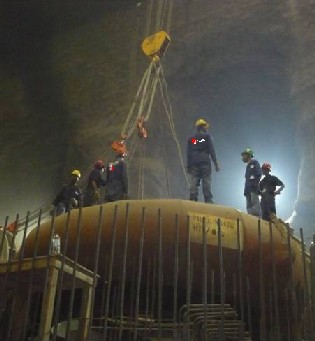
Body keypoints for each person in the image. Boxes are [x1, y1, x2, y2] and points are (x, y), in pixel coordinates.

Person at [186, 118, 220, 203]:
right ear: (202, 127)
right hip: (205, 162)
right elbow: (212, 150)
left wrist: (188, 165)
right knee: (206, 179)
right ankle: (208, 199)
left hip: (194, 162)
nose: (207, 128)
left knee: (194, 179)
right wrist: (216, 163)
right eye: (205, 126)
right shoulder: (207, 137)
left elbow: (189, 152)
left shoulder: (192, 139)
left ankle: (193, 197)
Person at [241, 148, 262, 217]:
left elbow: (259, 174)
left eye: (244, 155)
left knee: (255, 205)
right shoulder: (248, 166)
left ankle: (257, 219)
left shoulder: (255, 162)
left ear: (249, 155)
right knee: (249, 206)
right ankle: (251, 219)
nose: (243, 157)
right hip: (247, 190)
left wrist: (255, 184)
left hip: (253, 189)